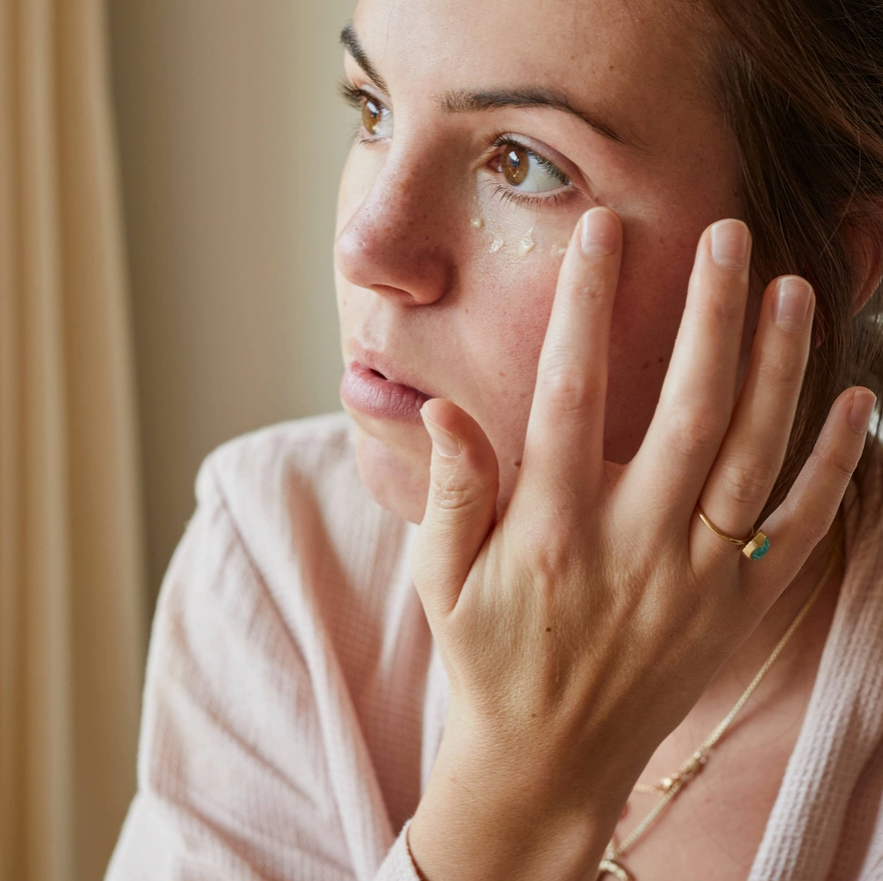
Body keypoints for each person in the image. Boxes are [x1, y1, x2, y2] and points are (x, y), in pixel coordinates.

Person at [106, 0, 883, 878]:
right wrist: (520, 793)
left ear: (824, 261)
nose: (367, 246)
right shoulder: (284, 559)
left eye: (524, 162)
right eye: (372, 109)